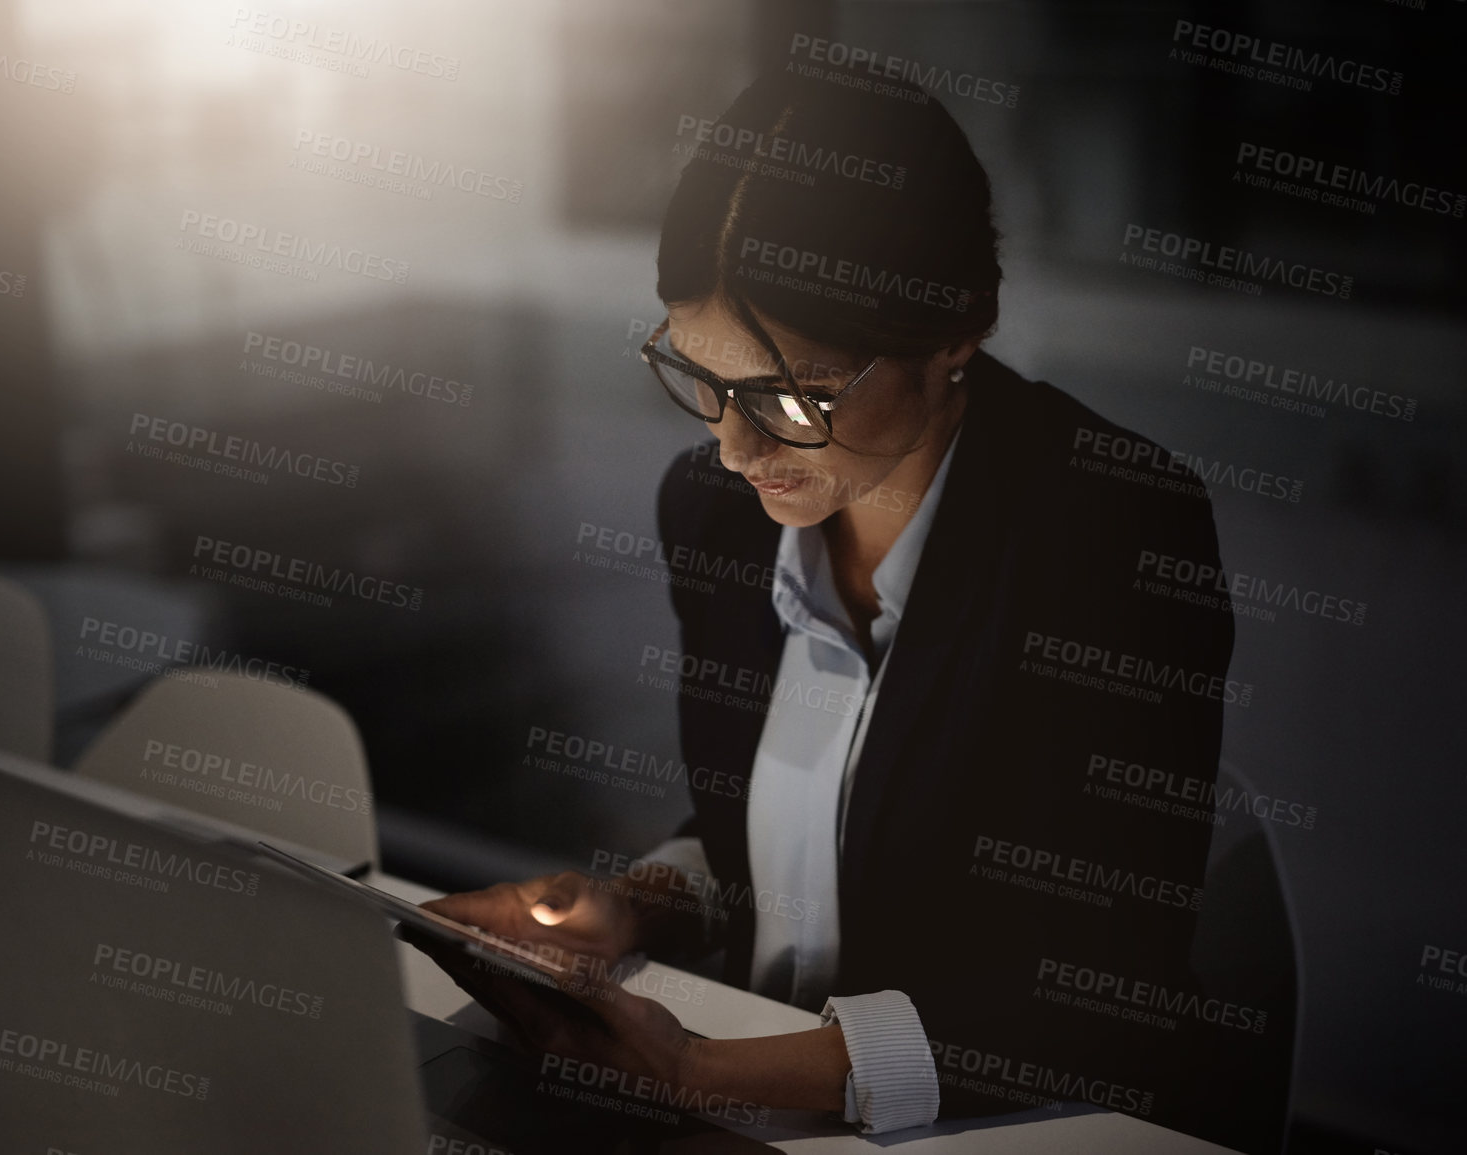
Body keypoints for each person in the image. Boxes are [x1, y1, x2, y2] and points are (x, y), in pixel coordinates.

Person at [423, 57, 1291, 1150]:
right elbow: (774, 838)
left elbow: (1098, 996)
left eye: (793, 395)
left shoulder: (1112, 533)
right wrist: (633, 905)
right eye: (701, 376)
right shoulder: (715, 511)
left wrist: (696, 1069)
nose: (734, 448)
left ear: (954, 334)